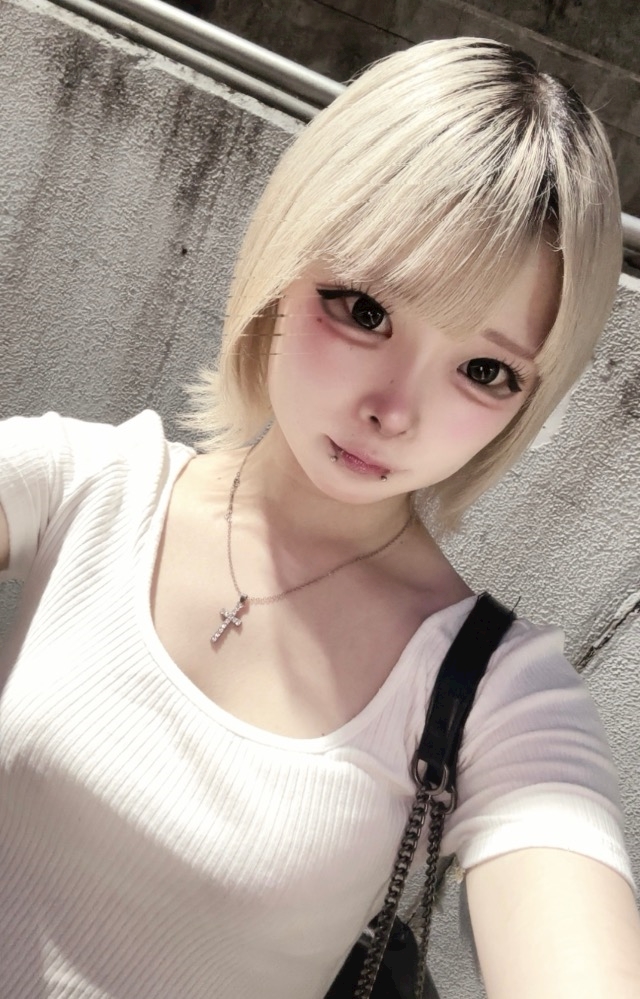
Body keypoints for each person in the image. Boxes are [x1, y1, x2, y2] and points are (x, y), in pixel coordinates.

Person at [0, 35, 639, 999]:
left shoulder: (493, 694)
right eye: (366, 310)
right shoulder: (88, 485)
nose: (395, 410)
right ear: (284, 260)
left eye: (484, 370)